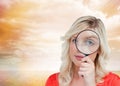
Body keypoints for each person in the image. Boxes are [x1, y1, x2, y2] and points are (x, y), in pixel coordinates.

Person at [45, 16, 120, 86]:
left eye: (89, 42)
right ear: (69, 44)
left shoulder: (113, 82)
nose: (79, 48)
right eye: (75, 40)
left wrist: (90, 83)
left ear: (99, 49)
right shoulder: (53, 81)